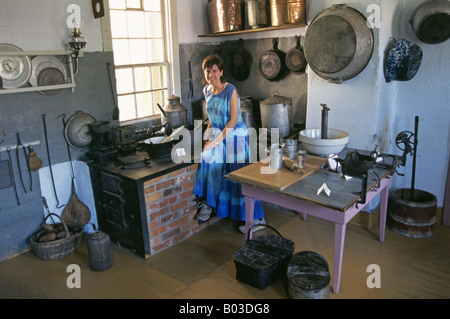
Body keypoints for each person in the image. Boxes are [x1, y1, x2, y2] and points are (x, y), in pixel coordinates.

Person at [193, 54, 265, 233]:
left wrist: (215, 141)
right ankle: (209, 205)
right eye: (208, 71)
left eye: (214, 71)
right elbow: (211, 119)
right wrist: (208, 139)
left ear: (221, 72)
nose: (211, 75)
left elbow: (233, 121)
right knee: (209, 161)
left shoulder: (230, 89)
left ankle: (258, 219)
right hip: (219, 136)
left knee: (241, 177)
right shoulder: (207, 91)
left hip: (236, 137)